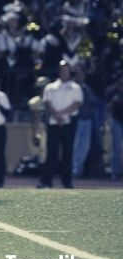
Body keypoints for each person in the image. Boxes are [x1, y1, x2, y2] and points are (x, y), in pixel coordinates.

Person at [38, 60, 83, 189]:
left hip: (68, 123)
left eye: (66, 70)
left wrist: (62, 114)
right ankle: (46, 181)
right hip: (53, 122)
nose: (64, 72)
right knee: (51, 152)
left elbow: (77, 103)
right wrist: (56, 115)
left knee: (67, 153)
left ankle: (67, 182)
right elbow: (47, 103)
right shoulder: (50, 87)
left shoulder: (75, 87)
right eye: (62, 70)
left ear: (70, 72)